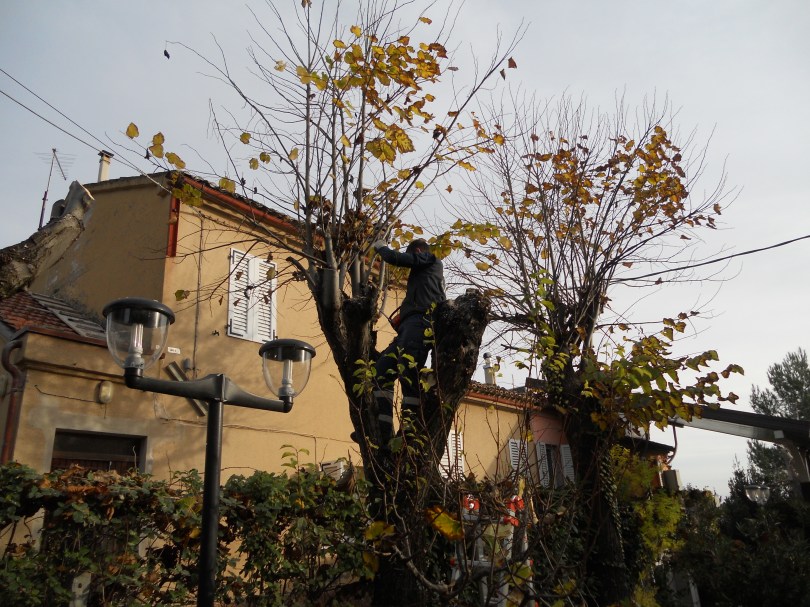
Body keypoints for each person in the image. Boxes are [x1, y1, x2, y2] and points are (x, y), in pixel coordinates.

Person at [368, 238, 446, 445]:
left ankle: (409, 433)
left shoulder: (430, 260)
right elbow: (417, 298)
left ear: (418, 252)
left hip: (420, 324)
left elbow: (397, 258)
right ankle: (382, 432)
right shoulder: (423, 281)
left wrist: (380, 247)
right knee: (381, 370)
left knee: (408, 371)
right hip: (409, 328)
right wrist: (402, 316)